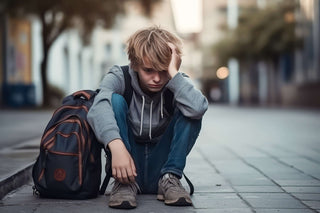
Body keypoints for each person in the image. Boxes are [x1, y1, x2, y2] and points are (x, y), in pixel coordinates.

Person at [87, 26, 208, 209]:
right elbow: (98, 107)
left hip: (163, 169)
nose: (157, 78)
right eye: (149, 70)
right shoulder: (120, 76)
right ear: (135, 64)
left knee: (190, 108)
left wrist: (174, 74)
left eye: (163, 70)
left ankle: (171, 179)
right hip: (126, 165)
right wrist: (116, 145)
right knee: (114, 101)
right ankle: (124, 184)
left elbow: (198, 108)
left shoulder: (177, 82)